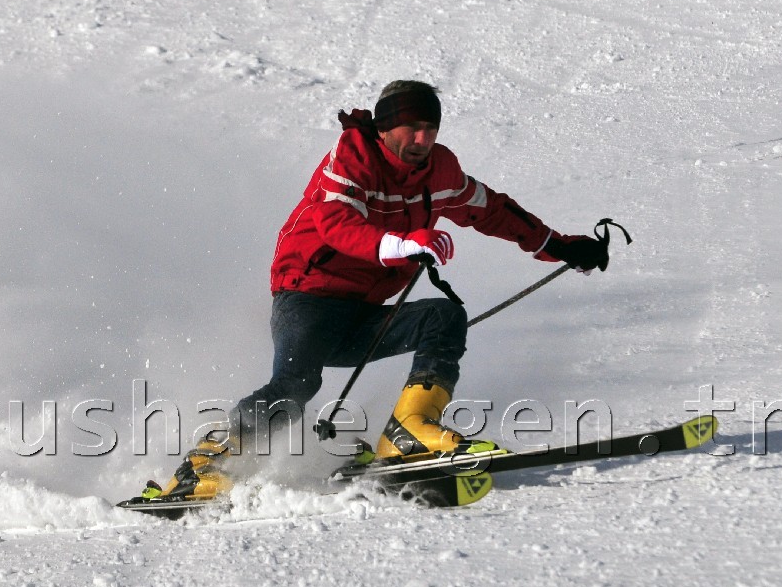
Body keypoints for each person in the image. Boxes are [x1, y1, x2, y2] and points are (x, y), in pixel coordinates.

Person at [143, 80, 609, 502]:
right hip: (307, 294)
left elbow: (491, 211)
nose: (423, 140)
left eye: (431, 128)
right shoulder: (350, 158)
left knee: (444, 317)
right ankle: (206, 462)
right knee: (297, 384)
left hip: (362, 312)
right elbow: (335, 224)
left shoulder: (440, 170)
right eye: (412, 128)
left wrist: (557, 245)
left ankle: (408, 432)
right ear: (385, 128)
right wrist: (402, 244)